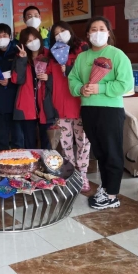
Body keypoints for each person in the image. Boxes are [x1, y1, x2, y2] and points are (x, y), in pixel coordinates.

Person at [68, 16, 134, 210]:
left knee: (111, 152)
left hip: (110, 110)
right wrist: (81, 88)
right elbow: (72, 80)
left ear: (108, 33)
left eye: (102, 29)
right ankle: (105, 188)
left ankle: (112, 195)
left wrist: (100, 88)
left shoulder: (117, 55)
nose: (98, 33)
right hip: (89, 109)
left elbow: (126, 84)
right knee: (100, 152)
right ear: (88, 34)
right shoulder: (82, 57)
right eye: (94, 29)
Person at [48, 21, 91, 191]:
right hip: (61, 105)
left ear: (70, 31)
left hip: (80, 102)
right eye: (56, 33)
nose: (60, 35)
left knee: (83, 142)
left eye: (63, 30)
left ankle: (83, 174)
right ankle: (70, 173)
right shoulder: (52, 55)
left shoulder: (82, 49)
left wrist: (70, 68)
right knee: (65, 143)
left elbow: (89, 71)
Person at [12, 27, 58, 149]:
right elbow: (17, 80)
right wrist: (22, 59)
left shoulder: (50, 55)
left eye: (35, 39)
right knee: (29, 143)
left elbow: (59, 79)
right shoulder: (20, 57)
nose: (33, 42)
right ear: (24, 44)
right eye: (29, 41)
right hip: (27, 106)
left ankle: (47, 162)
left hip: (46, 105)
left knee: (47, 143)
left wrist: (48, 78)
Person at [0, 23, 23, 151]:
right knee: (0, 138)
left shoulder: (18, 52)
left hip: (16, 100)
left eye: (5, 35)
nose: (2, 38)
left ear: (10, 36)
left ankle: (20, 161)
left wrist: (10, 82)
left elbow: (23, 75)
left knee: (18, 138)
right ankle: (1, 161)